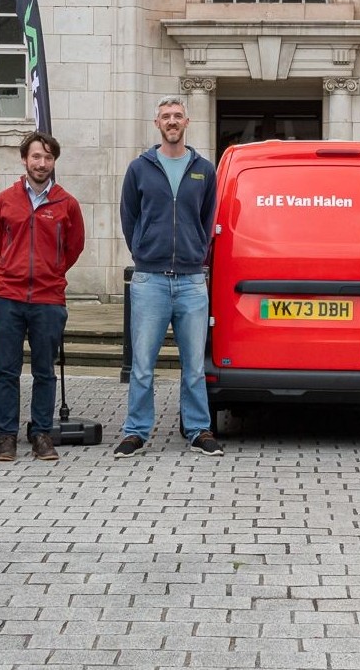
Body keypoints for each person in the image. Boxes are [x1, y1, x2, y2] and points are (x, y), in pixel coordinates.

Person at [115, 95, 222, 457]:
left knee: (193, 366)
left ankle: (198, 429)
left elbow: (207, 218)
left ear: (186, 122)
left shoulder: (203, 169)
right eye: (166, 116)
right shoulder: (139, 168)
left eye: (177, 115)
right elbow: (129, 217)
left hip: (192, 281)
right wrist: (143, 250)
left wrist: (196, 251)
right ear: (157, 123)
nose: (172, 121)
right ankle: (135, 431)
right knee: (143, 366)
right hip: (150, 280)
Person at [0, 131, 86, 463]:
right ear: (24, 159)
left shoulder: (66, 203)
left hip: (48, 299)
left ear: (54, 161)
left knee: (45, 371)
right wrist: (10, 271)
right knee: (7, 372)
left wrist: (52, 271)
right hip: (8, 297)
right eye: (36, 156)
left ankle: (41, 434)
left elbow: (74, 247)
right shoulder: (5, 200)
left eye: (47, 157)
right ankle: (7, 437)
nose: (41, 163)